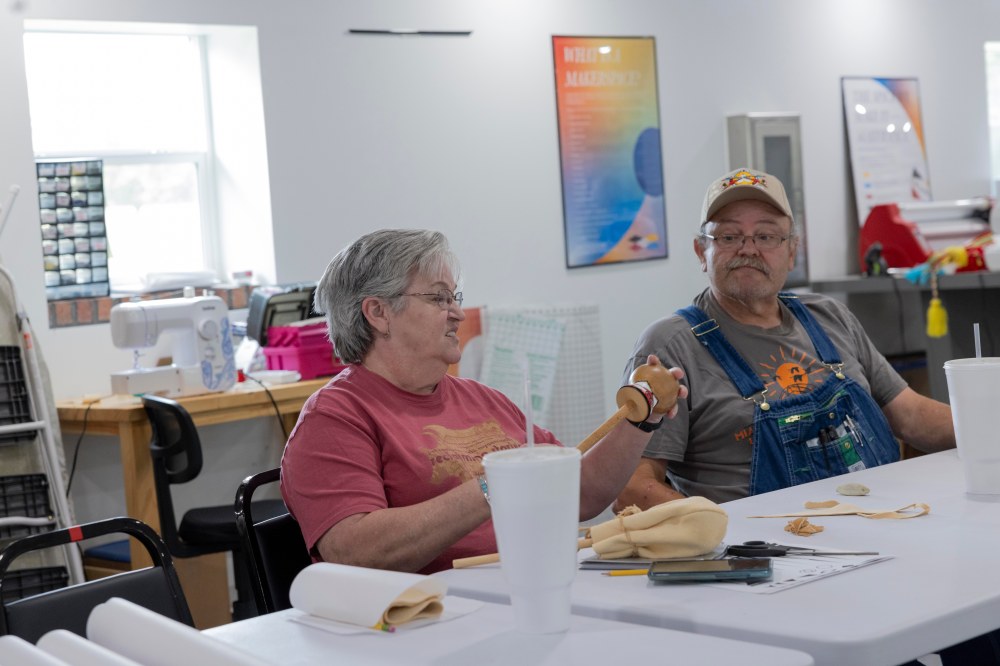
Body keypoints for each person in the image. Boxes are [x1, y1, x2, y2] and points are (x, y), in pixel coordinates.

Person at [280, 228, 686, 575]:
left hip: (528, 588)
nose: (456, 312)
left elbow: (579, 494)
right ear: (379, 312)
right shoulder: (335, 418)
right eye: (439, 298)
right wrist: (496, 484)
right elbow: (356, 553)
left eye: (454, 296)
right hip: (428, 620)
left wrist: (640, 420)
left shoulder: (482, 398)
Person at [615, 167, 956, 511]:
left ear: (792, 251)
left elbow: (912, 415)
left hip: (883, 521)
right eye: (729, 237)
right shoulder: (670, 347)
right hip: (764, 552)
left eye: (766, 236)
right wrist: (719, 529)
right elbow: (633, 487)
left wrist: (986, 425)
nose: (748, 249)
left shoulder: (830, 317)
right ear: (701, 252)